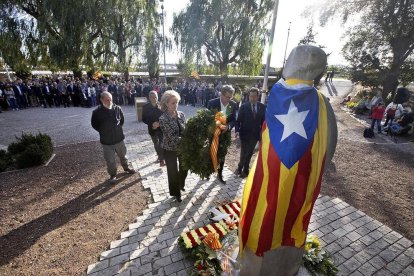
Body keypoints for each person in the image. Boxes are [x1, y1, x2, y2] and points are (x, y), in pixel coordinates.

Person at [91, 91, 135, 183]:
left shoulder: (117, 108)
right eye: (107, 100)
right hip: (107, 142)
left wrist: (117, 130)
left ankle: (126, 168)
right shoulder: (97, 112)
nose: (110, 101)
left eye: (111, 99)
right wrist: (103, 131)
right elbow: (94, 124)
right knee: (110, 160)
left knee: (123, 156)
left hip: (119, 139)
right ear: (101, 100)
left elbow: (121, 121)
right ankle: (113, 175)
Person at [159, 90, 188, 203]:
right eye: (173, 103)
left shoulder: (181, 114)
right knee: (172, 171)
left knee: (185, 168)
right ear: (166, 103)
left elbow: (185, 130)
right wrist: (187, 141)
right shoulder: (163, 118)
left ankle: (181, 184)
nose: (175, 105)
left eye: (177, 102)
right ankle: (176, 193)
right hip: (170, 148)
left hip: (182, 147)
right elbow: (171, 136)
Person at [207, 85, 238, 184]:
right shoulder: (212, 103)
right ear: (221, 94)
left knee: (222, 154)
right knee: (211, 152)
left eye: (231, 97)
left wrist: (228, 127)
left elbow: (234, 119)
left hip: (225, 135)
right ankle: (208, 172)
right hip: (213, 134)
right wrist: (216, 125)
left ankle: (220, 174)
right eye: (227, 97)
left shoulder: (233, 104)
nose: (229, 99)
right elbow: (206, 118)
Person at [235, 87, 265, 178]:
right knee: (244, 152)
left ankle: (245, 169)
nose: (252, 98)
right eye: (251, 96)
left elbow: (263, 121)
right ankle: (241, 167)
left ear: (258, 96)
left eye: (254, 96)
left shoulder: (262, 107)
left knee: (250, 152)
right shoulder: (244, 107)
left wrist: (263, 133)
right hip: (244, 134)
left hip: (255, 135)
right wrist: (237, 130)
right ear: (248, 96)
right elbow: (238, 120)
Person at [142, 90, 165, 166]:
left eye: (155, 97)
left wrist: (159, 123)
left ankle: (162, 160)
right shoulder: (145, 107)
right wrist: (152, 123)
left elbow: (165, 117)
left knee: (161, 143)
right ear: (149, 98)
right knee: (156, 143)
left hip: (161, 128)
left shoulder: (162, 106)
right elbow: (144, 119)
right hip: (152, 129)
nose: (154, 99)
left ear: (157, 97)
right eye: (152, 97)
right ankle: (159, 155)